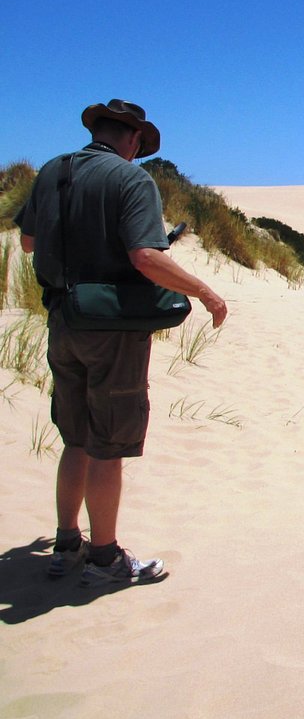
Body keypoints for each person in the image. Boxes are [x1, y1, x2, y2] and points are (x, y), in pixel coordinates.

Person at [16, 99, 228, 585]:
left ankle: (66, 545)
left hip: (61, 322)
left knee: (76, 439)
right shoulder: (132, 179)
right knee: (110, 444)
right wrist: (205, 292)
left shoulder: (52, 171)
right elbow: (144, 257)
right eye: (139, 145)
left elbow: (28, 242)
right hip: (111, 329)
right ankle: (105, 560)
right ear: (132, 139)